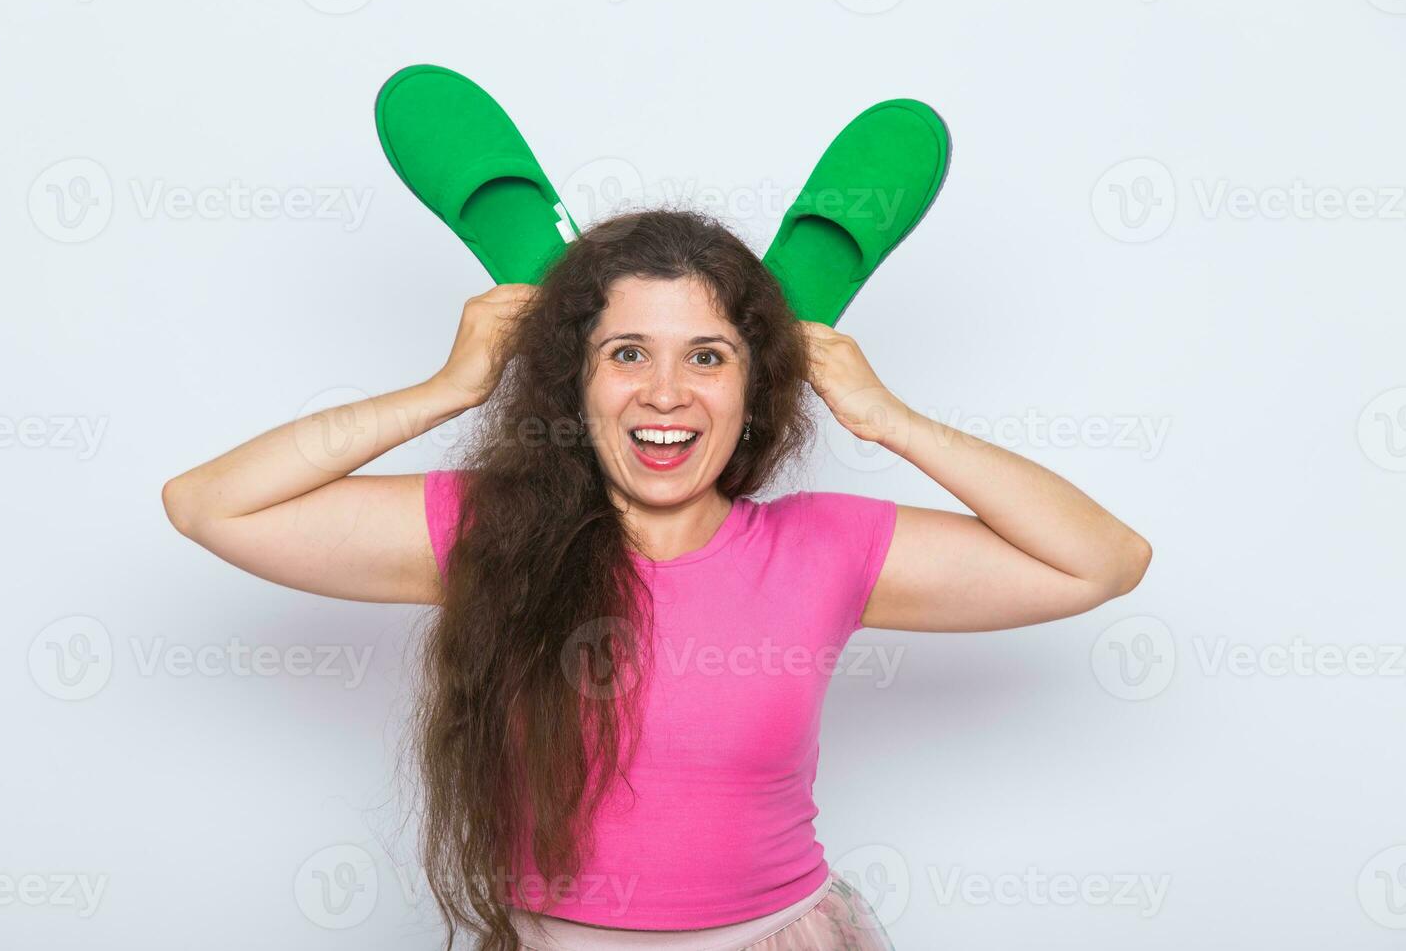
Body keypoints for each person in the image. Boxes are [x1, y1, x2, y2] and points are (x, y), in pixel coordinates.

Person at [162, 209, 1151, 950]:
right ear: (574, 379)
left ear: (756, 384)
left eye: (708, 356)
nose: (666, 392)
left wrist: (888, 417)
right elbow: (212, 503)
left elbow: (1103, 559)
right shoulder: (487, 532)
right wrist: (449, 388)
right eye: (627, 352)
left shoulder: (825, 547)